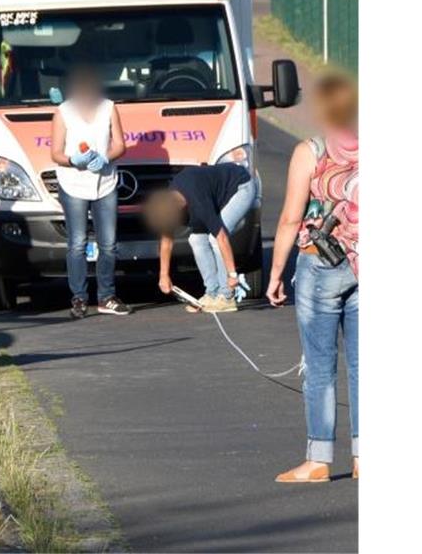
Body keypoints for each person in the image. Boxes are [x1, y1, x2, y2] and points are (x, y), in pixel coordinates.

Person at [266, 73, 358, 484]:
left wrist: (275, 274)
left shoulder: (311, 151)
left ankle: (319, 459)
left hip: (319, 263)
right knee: (365, 366)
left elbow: (289, 218)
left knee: (320, 365)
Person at [50, 66, 130, 318]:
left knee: (108, 243)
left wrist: (105, 158)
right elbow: (55, 153)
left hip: (105, 183)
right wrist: (73, 160)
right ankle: (79, 298)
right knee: (77, 243)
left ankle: (106, 296)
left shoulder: (108, 107)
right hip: (73, 184)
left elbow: (120, 144)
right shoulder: (63, 112)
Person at [144, 162, 260, 314]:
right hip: (216, 193)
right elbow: (166, 242)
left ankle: (226, 297)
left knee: (213, 238)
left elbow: (222, 238)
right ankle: (212, 293)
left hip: (241, 186)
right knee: (196, 240)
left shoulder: (198, 202)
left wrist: (232, 275)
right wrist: (163, 276)